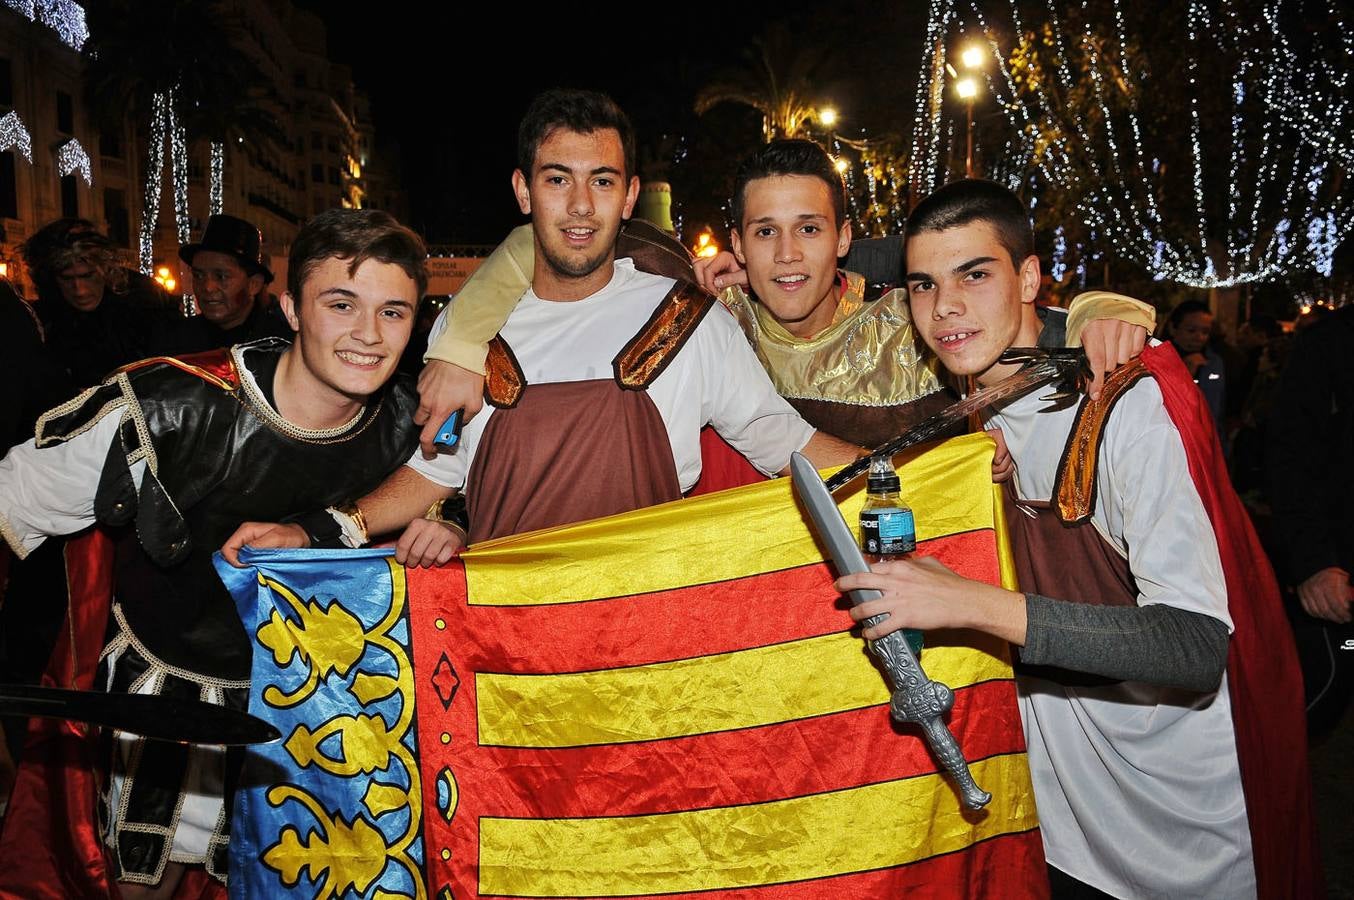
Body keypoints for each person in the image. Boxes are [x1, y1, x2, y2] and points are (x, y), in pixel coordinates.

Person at [836, 179, 1320, 898]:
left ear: (1029, 277)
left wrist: (968, 603)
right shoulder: (972, 410)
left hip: (1178, 835)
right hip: (1059, 825)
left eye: (976, 273)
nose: (947, 308)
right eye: (923, 285)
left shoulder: (1126, 405)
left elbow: (1193, 645)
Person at [224, 89, 859, 565]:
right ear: (524, 192)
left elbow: (789, 445)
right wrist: (315, 530)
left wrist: (939, 479)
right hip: (506, 662)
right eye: (558, 180)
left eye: (602, 182)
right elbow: (439, 469)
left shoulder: (689, 323)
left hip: (649, 660)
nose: (581, 207)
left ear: (630, 196)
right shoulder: (473, 343)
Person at [0, 208, 429, 896]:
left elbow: (465, 498)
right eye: (341, 304)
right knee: (142, 885)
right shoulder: (169, 407)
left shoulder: (416, 432)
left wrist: (452, 525)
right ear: (289, 307)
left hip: (308, 725)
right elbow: (10, 502)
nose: (367, 336)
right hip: (161, 696)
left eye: (394, 312)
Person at [411, 139, 1154, 457]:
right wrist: (459, 339)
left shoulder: (916, 315)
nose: (788, 254)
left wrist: (1094, 312)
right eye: (766, 232)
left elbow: (1015, 321)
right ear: (735, 245)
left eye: (809, 229)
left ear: (844, 237)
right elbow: (571, 244)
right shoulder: (705, 318)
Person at [1266, 302, 1353, 736]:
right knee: (1315, 703)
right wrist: (1314, 560)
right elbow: (1290, 457)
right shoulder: (1331, 343)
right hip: (1339, 573)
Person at [21, 218, 178, 394]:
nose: (79, 290)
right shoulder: (45, 317)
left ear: (105, 268)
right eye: (67, 278)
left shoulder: (146, 301)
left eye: (87, 276)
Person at [160, 213, 292, 354]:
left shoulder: (282, 346)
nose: (208, 287)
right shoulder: (174, 342)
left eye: (221, 277)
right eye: (198, 275)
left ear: (254, 284)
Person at [1166, 298, 1226, 432]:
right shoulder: (1160, 361)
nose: (1199, 337)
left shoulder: (1214, 362)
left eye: (1205, 332)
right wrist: (1185, 375)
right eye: (1191, 330)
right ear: (1173, 328)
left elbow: (1219, 407)